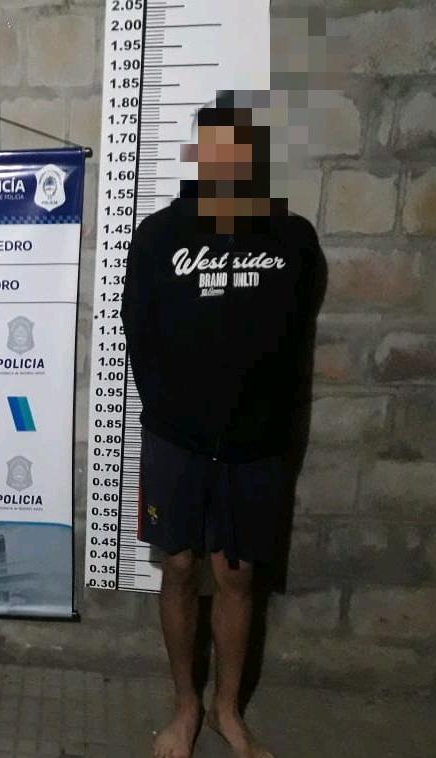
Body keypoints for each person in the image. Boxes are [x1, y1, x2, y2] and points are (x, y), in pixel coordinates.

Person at [121, 95, 325, 758]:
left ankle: (226, 710)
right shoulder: (160, 235)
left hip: (255, 446)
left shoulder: (292, 238)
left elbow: (295, 337)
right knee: (180, 569)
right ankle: (185, 707)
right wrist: (175, 413)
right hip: (176, 442)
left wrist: (264, 419)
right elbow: (138, 331)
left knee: (236, 577)